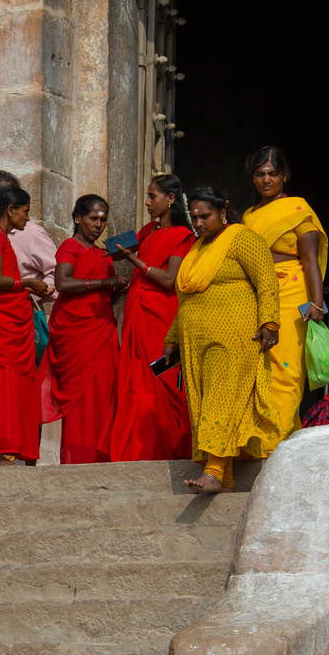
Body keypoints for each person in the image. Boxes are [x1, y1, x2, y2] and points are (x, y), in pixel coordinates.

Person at [163, 186, 282, 495]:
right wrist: (173, 337)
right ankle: (225, 481)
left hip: (234, 335)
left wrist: (270, 322)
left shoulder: (242, 238)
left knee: (221, 399)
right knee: (205, 403)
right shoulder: (198, 247)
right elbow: (186, 295)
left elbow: (266, 280)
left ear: (223, 211)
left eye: (206, 216)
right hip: (196, 340)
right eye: (196, 218)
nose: (199, 223)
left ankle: (214, 470)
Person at [240, 147, 328, 449]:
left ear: (284, 176)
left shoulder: (297, 209)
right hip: (257, 292)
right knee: (260, 365)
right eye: (260, 174)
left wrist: (317, 303)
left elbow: (310, 260)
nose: (266, 179)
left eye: (272, 173)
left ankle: (273, 446)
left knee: (286, 368)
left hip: (291, 290)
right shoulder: (249, 216)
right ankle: (279, 441)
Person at [105, 174, 197, 462]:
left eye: (152, 196)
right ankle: (132, 450)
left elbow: (170, 280)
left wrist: (133, 260)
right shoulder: (147, 231)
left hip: (160, 318)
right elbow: (110, 250)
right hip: (137, 314)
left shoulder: (183, 235)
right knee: (134, 379)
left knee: (160, 377)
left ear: (170, 199)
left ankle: (164, 449)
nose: (147, 202)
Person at [0, 185, 50, 465]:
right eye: (25, 211)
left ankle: (12, 449)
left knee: (11, 389)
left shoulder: (0, 237)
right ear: (10, 210)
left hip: (8, 327)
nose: (28, 218)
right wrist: (27, 283)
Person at [44, 195, 125, 463]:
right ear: (78, 218)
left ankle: (102, 458)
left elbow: (104, 297)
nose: (98, 224)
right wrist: (104, 282)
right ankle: (79, 459)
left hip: (101, 331)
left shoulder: (103, 252)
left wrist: (116, 289)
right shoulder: (70, 246)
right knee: (81, 403)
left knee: (104, 396)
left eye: (103, 219)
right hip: (76, 334)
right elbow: (63, 283)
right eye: (93, 218)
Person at [0, 170, 56, 313]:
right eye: (26, 212)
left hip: (19, 313)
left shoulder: (32, 233)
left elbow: (57, 273)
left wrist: (31, 292)